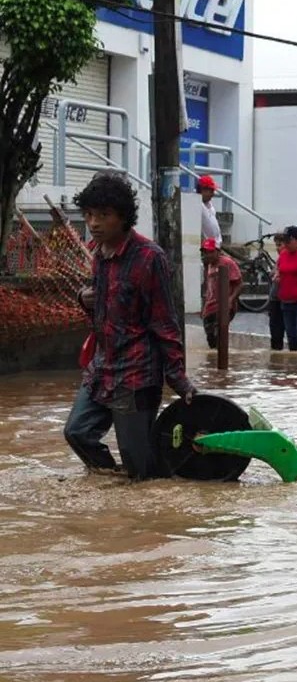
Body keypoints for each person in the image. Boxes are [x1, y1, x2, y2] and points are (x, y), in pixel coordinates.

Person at [63, 172, 195, 481]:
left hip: (136, 373)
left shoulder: (150, 258)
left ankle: (147, 511)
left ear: (123, 217)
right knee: (77, 432)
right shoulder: (99, 255)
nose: (93, 223)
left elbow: (165, 324)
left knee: (140, 465)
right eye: (89, 215)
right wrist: (84, 299)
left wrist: (179, 380)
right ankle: (111, 485)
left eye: (103, 215)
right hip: (103, 367)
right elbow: (101, 317)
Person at [200, 239, 242, 348]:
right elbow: (209, 288)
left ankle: (221, 362)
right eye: (205, 252)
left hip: (223, 306)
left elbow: (239, 284)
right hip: (210, 307)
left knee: (219, 337)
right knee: (210, 339)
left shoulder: (227, 262)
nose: (207, 255)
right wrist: (204, 307)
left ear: (217, 251)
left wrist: (230, 300)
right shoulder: (208, 265)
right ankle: (213, 362)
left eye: (210, 252)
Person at [268, 233, 287, 351]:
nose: (278, 248)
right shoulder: (280, 259)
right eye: (276, 245)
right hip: (275, 297)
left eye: (280, 245)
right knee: (275, 331)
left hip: (283, 298)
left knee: (279, 329)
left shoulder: (286, 258)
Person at [197, 175, 221, 246]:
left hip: (215, 246)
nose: (212, 194)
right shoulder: (198, 206)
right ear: (203, 190)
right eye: (211, 191)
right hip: (207, 248)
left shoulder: (210, 206)